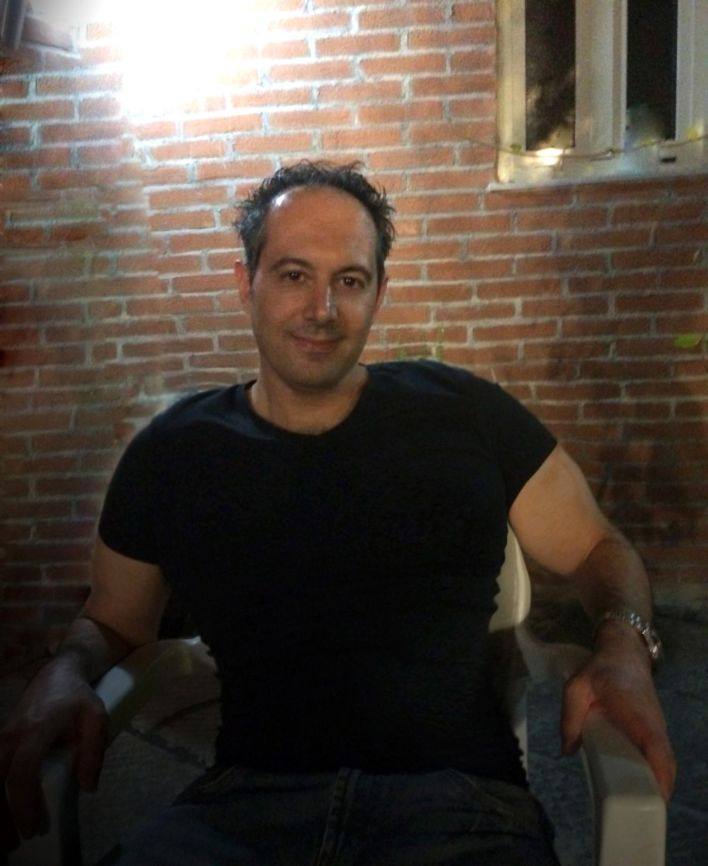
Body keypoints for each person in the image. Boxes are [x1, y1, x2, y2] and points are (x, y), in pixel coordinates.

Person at [0, 161, 675, 865]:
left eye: (349, 281)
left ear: (379, 292)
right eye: (293, 274)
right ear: (246, 283)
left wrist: (624, 652)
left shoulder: (464, 413)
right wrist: (64, 670)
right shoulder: (172, 452)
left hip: (458, 812)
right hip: (241, 815)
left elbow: (596, 548)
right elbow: (113, 621)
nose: (321, 309)